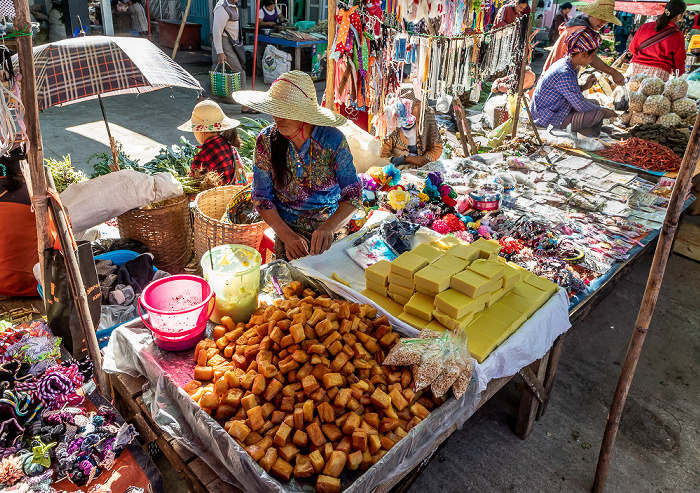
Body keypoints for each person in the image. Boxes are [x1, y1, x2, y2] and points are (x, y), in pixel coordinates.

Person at [232, 71, 362, 260]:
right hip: (287, 228)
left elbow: (353, 195)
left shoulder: (333, 140)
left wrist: (329, 228)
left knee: (329, 279)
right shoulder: (267, 140)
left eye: (286, 112)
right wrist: (287, 237)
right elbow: (262, 198)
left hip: (330, 225)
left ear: (305, 115)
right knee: (293, 280)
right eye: (276, 110)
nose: (277, 118)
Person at [531, 29, 618, 137]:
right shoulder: (564, 72)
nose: (592, 59)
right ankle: (586, 134)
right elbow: (581, 105)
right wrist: (604, 111)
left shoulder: (569, 65)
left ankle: (586, 130)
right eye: (593, 55)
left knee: (594, 103)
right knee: (597, 114)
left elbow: (568, 92)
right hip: (546, 117)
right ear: (584, 54)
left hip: (553, 108)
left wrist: (585, 86)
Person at [543, 0, 626, 87]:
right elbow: (590, 58)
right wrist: (613, 72)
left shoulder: (577, 24)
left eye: (606, 20)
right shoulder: (581, 30)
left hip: (554, 75)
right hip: (555, 79)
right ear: (591, 14)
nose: (603, 22)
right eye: (600, 18)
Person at [178, 100, 247, 185]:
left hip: (220, 197)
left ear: (201, 131)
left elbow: (195, 188)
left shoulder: (202, 157)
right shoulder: (228, 145)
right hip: (237, 194)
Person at [381, 84, 443, 167]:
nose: (421, 109)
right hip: (395, 170)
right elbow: (382, 158)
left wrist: (421, 163)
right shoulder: (389, 124)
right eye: (416, 104)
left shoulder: (426, 119)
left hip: (421, 169)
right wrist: (408, 159)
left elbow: (437, 148)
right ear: (403, 106)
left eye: (422, 103)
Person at [212, 0, 256, 113]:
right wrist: (220, 52)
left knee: (216, 73)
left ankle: (202, 98)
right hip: (224, 43)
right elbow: (216, 32)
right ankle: (245, 105)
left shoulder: (233, 5)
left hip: (231, 43)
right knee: (239, 72)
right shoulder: (222, 7)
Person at [625, 0, 687, 81]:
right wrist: (679, 73)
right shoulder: (677, 35)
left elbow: (632, 49)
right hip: (658, 74)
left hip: (634, 70)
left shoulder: (645, 27)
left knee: (630, 93)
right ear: (679, 16)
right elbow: (679, 60)